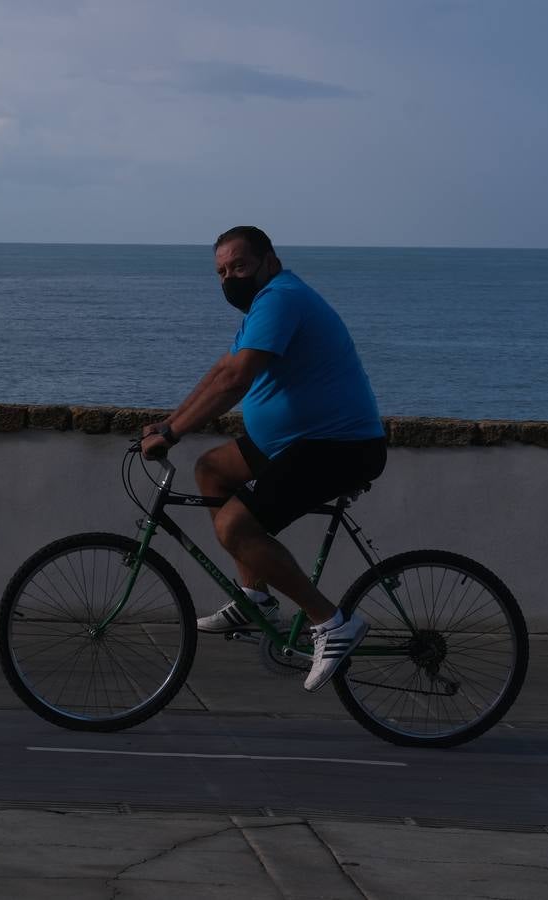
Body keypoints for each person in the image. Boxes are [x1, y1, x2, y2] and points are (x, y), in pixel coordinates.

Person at [140, 226, 387, 692]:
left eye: (239, 266)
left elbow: (236, 381)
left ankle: (332, 624)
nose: (229, 278)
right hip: (294, 441)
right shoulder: (263, 305)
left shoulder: (281, 298)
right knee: (211, 469)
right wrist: (166, 424)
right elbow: (221, 372)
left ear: (269, 260)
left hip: (337, 445)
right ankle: (256, 599)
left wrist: (174, 432)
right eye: (221, 272)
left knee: (236, 526)